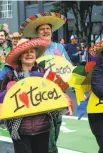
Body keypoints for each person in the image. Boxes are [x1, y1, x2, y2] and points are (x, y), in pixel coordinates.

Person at [20, 12, 73, 153]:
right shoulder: (33, 49)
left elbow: (69, 68)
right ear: (37, 33)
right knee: (46, 134)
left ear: (51, 31)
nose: (45, 31)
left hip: (57, 94)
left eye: (47, 29)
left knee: (56, 128)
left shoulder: (60, 48)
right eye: (41, 29)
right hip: (39, 96)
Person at [0, 38, 52, 153]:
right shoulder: (10, 76)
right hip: (19, 130)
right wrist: (10, 90)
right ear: (19, 56)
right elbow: (1, 101)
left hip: (42, 128)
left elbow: (55, 96)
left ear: (36, 55)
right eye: (25, 52)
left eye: (32, 51)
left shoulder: (44, 74)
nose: (29, 54)